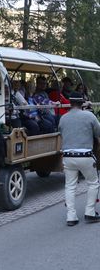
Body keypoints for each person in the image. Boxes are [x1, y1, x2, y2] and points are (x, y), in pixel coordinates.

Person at [58, 91, 100, 226]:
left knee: (70, 186)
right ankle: (90, 212)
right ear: (82, 103)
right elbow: (98, 133)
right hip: (86, 156)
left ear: (70, 103)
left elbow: (61, 133)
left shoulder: (63, 118)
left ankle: (71, 217)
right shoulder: (89, 115)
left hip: (68, 156)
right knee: (93, 183)